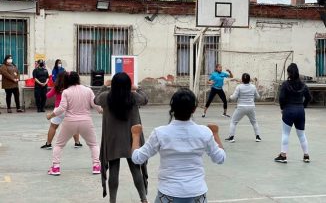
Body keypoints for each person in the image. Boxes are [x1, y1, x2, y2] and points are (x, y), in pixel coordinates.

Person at [131, 88, 226, 203]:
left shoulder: (160, 133)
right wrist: (215, 134)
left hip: (168, 194)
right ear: (194, 109)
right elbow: (220, 158)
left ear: (172, 108)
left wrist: (136, 135)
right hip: (197, 194)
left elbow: (137, 158)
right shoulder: (204, 132)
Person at [94, 72, 148, 203]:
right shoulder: (134, 97)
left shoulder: (106, 97)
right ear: (128, 85)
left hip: (113, 139)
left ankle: (112, 200)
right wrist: (137, 88)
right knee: (136, 169)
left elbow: (95, 100)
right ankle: (143, 199)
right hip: (132, 139)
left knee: (113, 170)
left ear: (113, 84)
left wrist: (104, 86)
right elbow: (145, 99)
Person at [46, 71, 102, 175]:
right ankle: (96, 166)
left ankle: (56, 167)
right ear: (78, 79)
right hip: (86, 121)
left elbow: (62, 108)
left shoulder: (66, 92)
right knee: (93, 144)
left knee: (59, 145)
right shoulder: (88, 90)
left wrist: (51, 115)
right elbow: (95, 104)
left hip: (70, 122)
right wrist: (102, 111)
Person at [274, 63, 312, 163]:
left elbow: (281, 98)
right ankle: (306, 155)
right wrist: (303, 106)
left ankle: (283, 155)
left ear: (288, 73)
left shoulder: (285, 84)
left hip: (288, 110)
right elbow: (309, 97)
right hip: (300, 111)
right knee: (301, 134)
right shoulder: (303, 84)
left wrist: (282, 108)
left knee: (286, 133)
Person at [40, 71, 83, 150]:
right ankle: (77, 143)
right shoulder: (72, 86)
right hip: (70, 109)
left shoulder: (57, 86)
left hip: (58, 110)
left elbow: (48, 95)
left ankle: (48, 144)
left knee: (53, 127)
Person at [225, 73, 261, 143]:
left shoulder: (239, 87)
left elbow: (234, 97)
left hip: (241, 107)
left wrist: (230, 96)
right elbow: (258, 97)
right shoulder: (253, 87)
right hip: (251, 107)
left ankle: (231, 137)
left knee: (233, 122)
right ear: (249, 80)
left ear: (242, 79)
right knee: (254, 122)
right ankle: (258, 137)